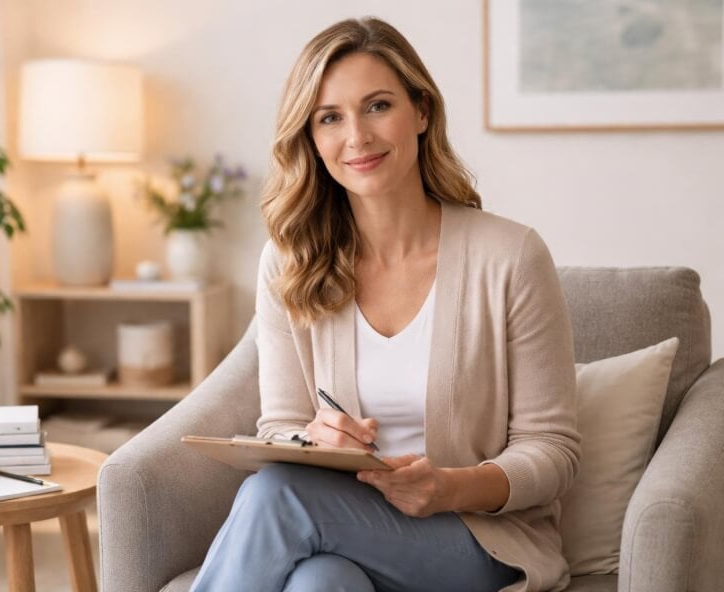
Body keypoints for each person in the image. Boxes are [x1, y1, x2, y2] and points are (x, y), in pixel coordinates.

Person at [190, 16, 581, 592]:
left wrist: (448, 486)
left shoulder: (512, 256)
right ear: (311, 138)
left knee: (277, 497)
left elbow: (554, 451)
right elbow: (279, 425)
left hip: (476, 538)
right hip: (342, 527)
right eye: (330, 118)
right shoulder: (291, 261)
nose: (357, 137)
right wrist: (313, 440)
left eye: (377, 106)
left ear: (421, 111)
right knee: (320, 583)